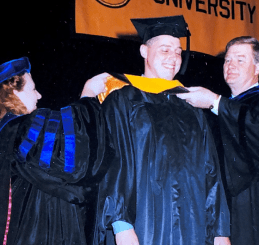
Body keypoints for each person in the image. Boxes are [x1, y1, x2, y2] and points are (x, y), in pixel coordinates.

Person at [95, 15, 231, 245]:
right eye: (165, 50)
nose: (174, 58)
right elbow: (114, 163)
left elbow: (211, 173)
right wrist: (121, 225)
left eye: (178, 51)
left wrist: (220, 232)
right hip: (144, 222)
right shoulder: (122, 100)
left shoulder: (191, 106)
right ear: (144, 51)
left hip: (192, 224)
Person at [0, 57, 114, 244]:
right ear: (13, 93)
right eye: (32, 89)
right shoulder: (21, 129)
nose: (39, 95)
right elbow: (71, 160)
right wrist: (88, 95)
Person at [177, 36, 259, 245]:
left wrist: (214, 102)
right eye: (227, 60)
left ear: (258, 66)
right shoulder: (219, 111)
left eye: (240, 59)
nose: (231, 65)